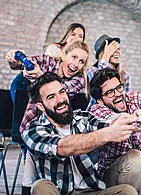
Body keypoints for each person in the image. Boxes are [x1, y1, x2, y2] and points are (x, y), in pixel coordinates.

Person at [23, 72, 140, 195]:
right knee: (40, 186)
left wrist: (136, 121)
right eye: (51, 97)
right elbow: (63, 147)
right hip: (59, 192)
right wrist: (105, 134)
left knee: (128, 191)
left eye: (62, 92)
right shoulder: (33, 131)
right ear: (40, 106)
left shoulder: (83, 117)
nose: (61, 100)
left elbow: (108, 123)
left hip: (91, 191)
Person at [5, 40, 89, 194]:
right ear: (63, 55)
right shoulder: (48, 62)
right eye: (74, 57)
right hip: (32, 123)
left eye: (81, 61)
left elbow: (61, 89)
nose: (76, 64)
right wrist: (14, 59)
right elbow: (24, 63)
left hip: (58, 129)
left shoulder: (79, 80)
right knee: (33, 152)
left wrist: (40, 75)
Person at [8, 23, 86, 102]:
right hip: (26, 82)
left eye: (80, 36)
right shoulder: (53, 53)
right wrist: (14, 59)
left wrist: (41, 77)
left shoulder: (79, 78)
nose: (76, 38)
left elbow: (59, 89)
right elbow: (35, 63)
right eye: (73, 34)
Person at [87, 34, 130, 110]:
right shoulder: (92, 71)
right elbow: (96, 98)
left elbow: (126, 100)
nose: (117, 52)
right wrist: (105, 57)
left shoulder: (124, 75)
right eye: (112, 49)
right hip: (98, 114)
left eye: (118, 49)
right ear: (104, 53)